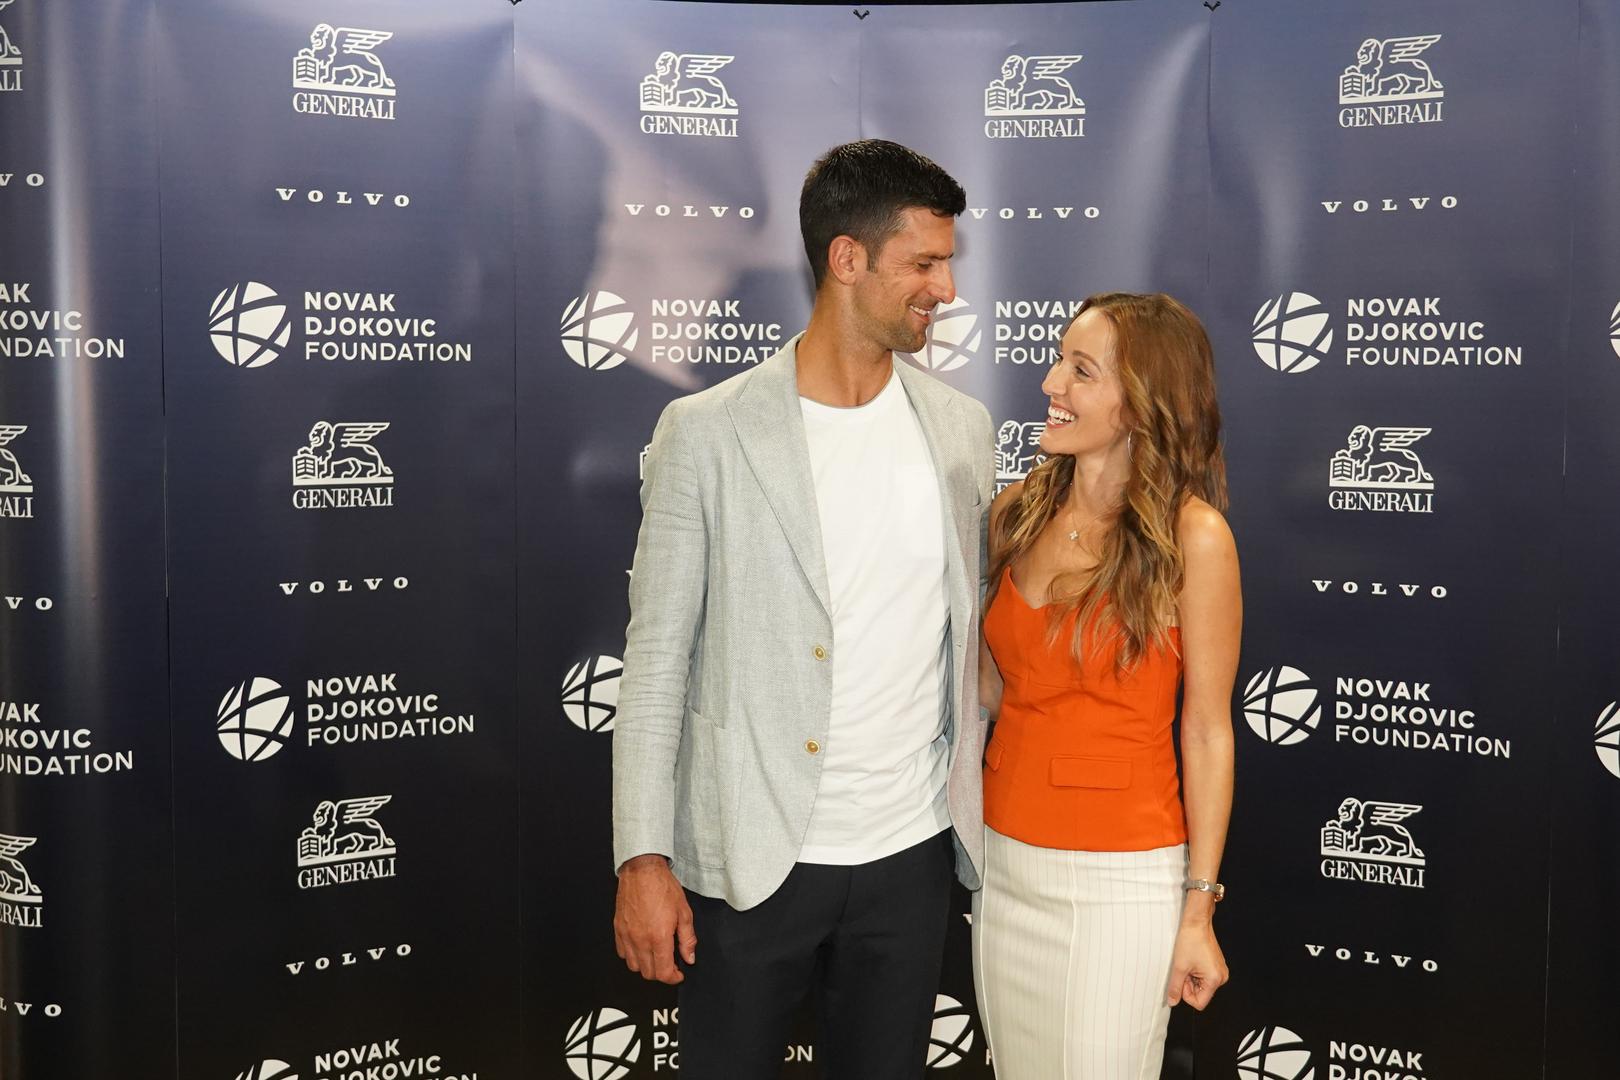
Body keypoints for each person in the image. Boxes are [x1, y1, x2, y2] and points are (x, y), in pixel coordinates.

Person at [611, 139, 995, 1079]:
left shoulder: (962, 430)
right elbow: (655, 663)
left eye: (947, 263)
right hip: (749, 858)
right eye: (924, 263)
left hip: (911, 854)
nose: (946, 289)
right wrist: (642, 859)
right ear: (847, 258)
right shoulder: (705, 432)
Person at [972, 292, 1238, 1079]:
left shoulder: (1195, 537)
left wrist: (1198, 910)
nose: (1051, 383)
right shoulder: (1016, 514)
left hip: (1121, 882)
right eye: (1059, 360)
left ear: (1140, 402)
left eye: (1081, 371)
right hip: (1002, 864)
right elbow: (989, 689)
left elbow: (1207, 731)